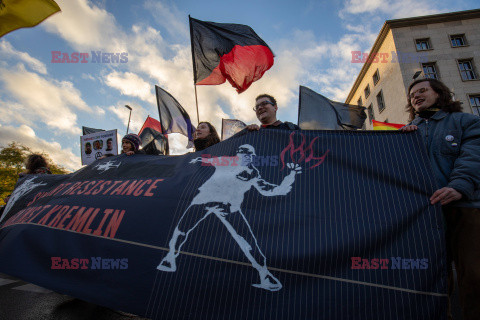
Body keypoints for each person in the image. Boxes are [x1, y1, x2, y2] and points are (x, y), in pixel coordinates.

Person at [157, 144, 302, 291]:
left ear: (252, 157)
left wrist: (291, 175)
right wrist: (193, 159)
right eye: (242, 154)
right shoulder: (225, 161)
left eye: (249, 156)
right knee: (181, 229)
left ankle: (264, 274)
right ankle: (170, 257)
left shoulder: (253, 173)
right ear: (237, 155)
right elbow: (204, 160)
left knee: (248, 240)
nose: (245, 158)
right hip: (204, 199)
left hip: (229, 207)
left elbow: (271, 190)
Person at [401, 78, 480, 320]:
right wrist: (399, 144)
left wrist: (459, 186)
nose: (416, 96)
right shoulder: (406, 133)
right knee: (432, 278)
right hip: (425, 215)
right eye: (412, 94)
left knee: (474, 274)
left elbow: (473, 156)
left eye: (423, 90)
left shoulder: (466, 122)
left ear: (440, 94)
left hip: (465, 208)